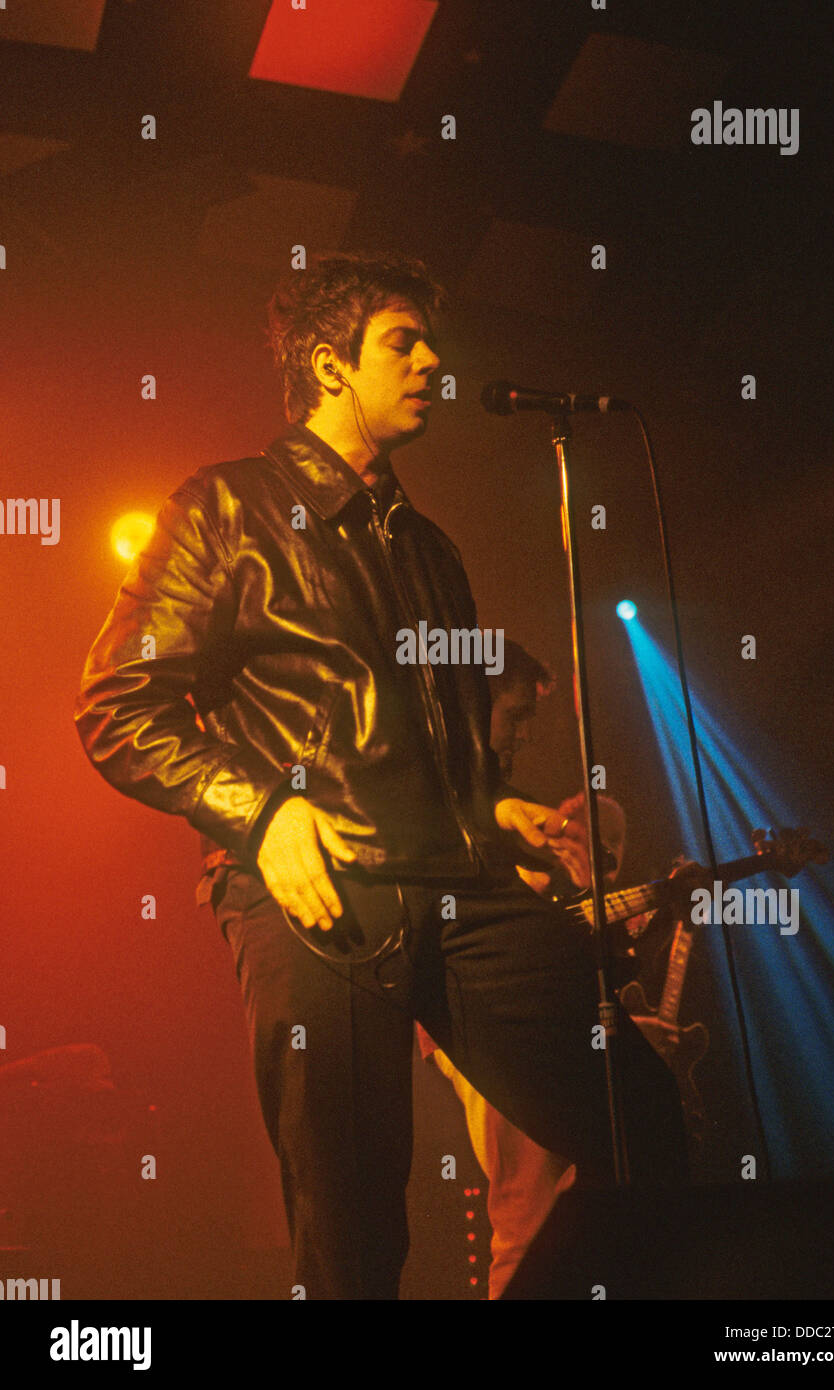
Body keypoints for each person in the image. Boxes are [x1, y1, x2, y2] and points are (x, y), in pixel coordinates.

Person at [74, 253, 687, 1300]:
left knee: (645, 1123)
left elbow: (428, 741)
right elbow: (116, 705)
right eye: (402, 341)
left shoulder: (431, 551)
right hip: (321, 899)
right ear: (327, 364)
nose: (431, 362)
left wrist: (495, 813)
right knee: (353, 1225)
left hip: (460, 892)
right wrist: (261, 811)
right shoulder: (225, 508)